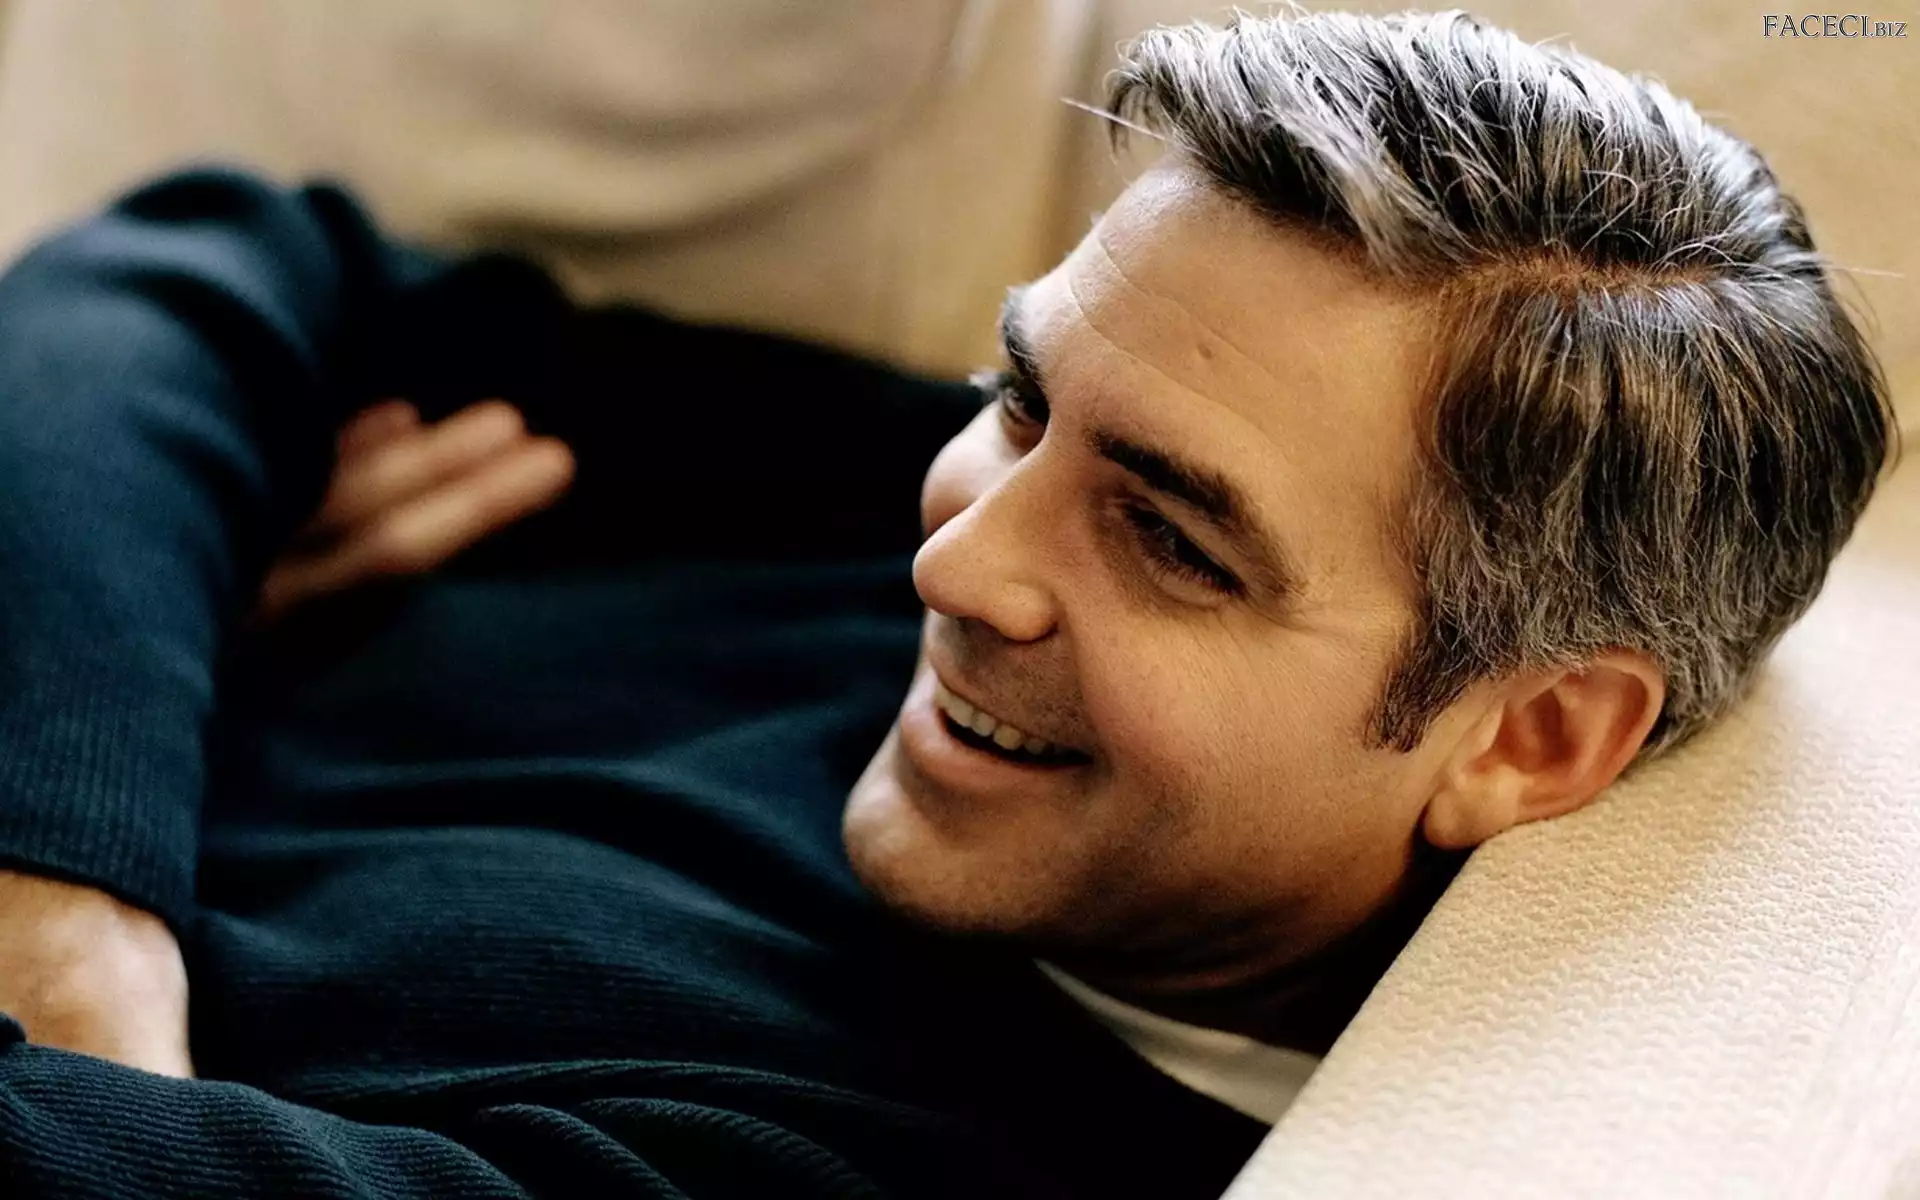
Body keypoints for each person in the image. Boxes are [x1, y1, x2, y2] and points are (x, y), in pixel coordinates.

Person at [0, 11, 1892, 1198]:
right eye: (1016, 395)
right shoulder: (1076, 464)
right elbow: (208, 272)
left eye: (1174, 542)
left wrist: (122, 601)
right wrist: (70, 872)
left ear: (1531, 736)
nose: (951, 558)